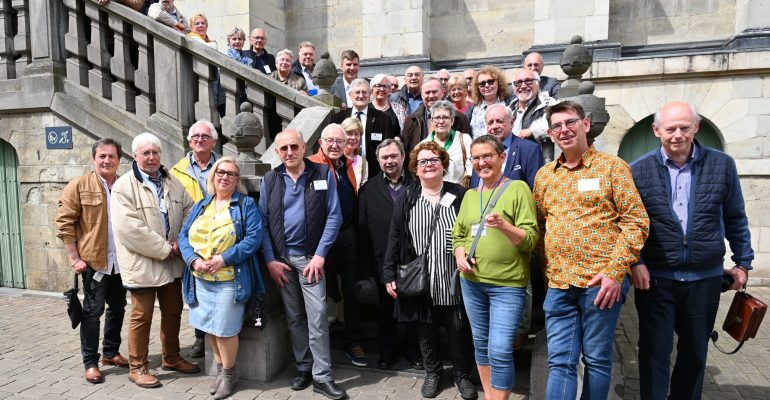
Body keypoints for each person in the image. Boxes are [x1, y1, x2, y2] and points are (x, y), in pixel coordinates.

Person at [630, 102, 753, 400]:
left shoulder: (722, 165)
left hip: (705, 278)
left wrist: (743, 262)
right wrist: (636, 261)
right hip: (656, 279)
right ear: (657, 130)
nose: (677, 135)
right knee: (653, 352)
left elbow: (735, 215)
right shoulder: (637, 170)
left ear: (696, 127)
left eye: (685, 127)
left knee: (695, 354)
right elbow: (629, 223)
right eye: (670, 128)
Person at [533, 101, 649, 400]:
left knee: (596, 360)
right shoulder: (545, 176)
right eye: (557, 126)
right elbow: (541, 227)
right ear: (550, 134)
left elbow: (636, 222)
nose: (564, 130)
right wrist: (549, 271)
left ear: (585, 124)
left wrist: (615, 272)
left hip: (600, 284)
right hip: (559, 284)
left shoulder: (613, 167)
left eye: (570, 122)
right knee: (560, 361)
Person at [382, 142, 476, 400]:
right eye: (423, 161)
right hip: (421, 277)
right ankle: (433, 373)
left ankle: (461, 374)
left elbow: (471, 230)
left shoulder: (460, 194)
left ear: (444, 165)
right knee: (425, 328)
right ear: (415, 168)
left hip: (453, 277)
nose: (429, 164)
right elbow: (395, 236)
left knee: (457, 329)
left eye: (434, 159)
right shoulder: (408, 197)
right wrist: (389, 274)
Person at [259, 130, 347, 400]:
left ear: (304, 147)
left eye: (294, 146)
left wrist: (320, 255)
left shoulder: (322, 173)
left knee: (318, 316)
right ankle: (304, 367)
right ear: (277, 152)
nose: (289, 152)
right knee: (295, 316)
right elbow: (262, 222)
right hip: (283, 262)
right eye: (283, 148)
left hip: (311, 260)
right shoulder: (271, 179)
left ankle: (322, 377)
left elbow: (335, 216)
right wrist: (270, 260)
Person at [453, 135, 540, 400]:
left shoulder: (518, 189)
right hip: (472, 283)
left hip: (507, 285)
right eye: (476, 158)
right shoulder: (469, 195)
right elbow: (458, 236)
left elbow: (531, 239)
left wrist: (504, 226)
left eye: (487, 155)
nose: (482, 162)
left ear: (502, 157)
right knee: (481, 345)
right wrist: (459, 255)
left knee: (500, 349)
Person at [111, 132, 199, 388]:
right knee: (142, 315)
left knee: (173, 311)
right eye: (146, 153)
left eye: (155, 152)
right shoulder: (124, 186)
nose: (151, 157)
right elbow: (129, 229)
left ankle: (171, 357)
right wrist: (164, 248)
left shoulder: (172, 181)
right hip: (144, 263)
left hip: (172, 261)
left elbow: (190, 211)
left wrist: (180, 241)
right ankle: (137, 367)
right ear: (135, 155)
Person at [178, 157, 265, 399]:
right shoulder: (202, 204)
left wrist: (224, 259)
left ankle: (229, 374)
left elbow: (253, 239)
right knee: (210, 328)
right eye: (220, 172)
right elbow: (183, 236)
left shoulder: (245, 205)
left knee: (225, 330)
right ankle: (219, 371)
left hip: (230, 279)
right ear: (213, 176)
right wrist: (193, 260)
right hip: (200, 278)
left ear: (237, 180)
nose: (225, 177)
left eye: (231, 174)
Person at [56, 139, 128, 384]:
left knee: (118, 309)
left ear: (119, 159)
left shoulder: (125, 185)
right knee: (92, 313)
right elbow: (65, 223)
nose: (107, 160)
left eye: (111, 156)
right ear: (94, 159)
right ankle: (91, 362)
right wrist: (74, 258)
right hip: (93, 264)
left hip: (121, 263)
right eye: (102, 156)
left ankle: (110, 352)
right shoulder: (78, 185)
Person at [357, 139, 422, 370]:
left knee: (413, 309)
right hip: (381, 260)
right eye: (384, 157)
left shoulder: (418, 183)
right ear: (378, 160)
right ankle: (387, 352)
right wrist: (364, 269)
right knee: (385, 311)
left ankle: (414, 352)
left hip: (414, 259)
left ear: (403, 157)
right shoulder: (368, 188)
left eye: (394, 156)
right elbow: (362, 229)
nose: (390, 161)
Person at [308, 124, 367, 367]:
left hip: (347, 235)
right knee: (320, 292)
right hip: (320, 238)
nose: (334, 145)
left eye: (339, 141)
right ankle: (320, 348)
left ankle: (354, 341)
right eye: (329, 140)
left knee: (351, 290)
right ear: (320, 142)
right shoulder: (311, 164)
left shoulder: (348, 164)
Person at [170, 119, 218, 358]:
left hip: (219, 236)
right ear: (189, 141)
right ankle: (200, 337)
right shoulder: (176, 170)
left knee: (218, 287)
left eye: (205, 137)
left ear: (214, 142)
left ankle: (217, 335)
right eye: (195, 137)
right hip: (191, 238)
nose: (200, 140)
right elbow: (170, 207)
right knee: (194, 291)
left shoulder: (222, 166)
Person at [330, 78, 400, 179]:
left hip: (374, 174)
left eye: (364, 92)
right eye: (357, 92)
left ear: (370, 94)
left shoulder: (383, 119)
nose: (361, 96)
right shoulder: (338, 118)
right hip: (343, 172)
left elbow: (388, 148)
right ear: (350, 95)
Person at [470, 104, 543, 189]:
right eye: (490, 123)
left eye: (500, 121)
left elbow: (535, 189)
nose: (494, 126)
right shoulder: (479, 153)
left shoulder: (529, 149)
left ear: (511, 123)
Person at [402, 78, 471, 156]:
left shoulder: (459, 118)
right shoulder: (411, 120)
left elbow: (467, 149)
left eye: (434, 92)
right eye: (427, 92)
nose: (431, 96)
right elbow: (406, 152)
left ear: (442, 92)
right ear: (421, 94)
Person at [510, 69, 558, 163]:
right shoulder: (509, 109)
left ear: (538, 84)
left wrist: (532, 131)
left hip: (541, 163)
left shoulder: (549, 103)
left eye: (528, 81)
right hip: (515, 164)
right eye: (518, 83)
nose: (523, 86)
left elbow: (556, 124)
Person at [420, 100, 472, 186]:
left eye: (445, 117)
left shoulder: (464, 140)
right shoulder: (423, 145)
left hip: (459, 193)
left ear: (452, 121)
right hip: (433, 193)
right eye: (437, 118)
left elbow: (471, 169)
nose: (441, 121)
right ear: (432, 121)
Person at [468, 66, 512, 138]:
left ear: (498, 83)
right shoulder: (473, 109)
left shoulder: (509, 103)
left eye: (490, 81)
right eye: (482, 83)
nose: (487, 85)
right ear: (477, 87)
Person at [340, 117, 368, 188]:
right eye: (349, 133)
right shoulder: (335, 158)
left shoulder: (363, 162)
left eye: (356, 134)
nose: (353, 138)